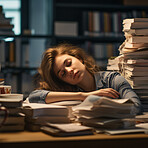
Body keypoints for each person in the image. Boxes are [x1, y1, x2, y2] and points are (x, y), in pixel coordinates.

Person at [28, 43, 142, 114]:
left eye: (68, 63)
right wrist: (83, 96)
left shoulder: (112, 80)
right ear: (63, 80)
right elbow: (34, 97)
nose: (69, 71)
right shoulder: (71, 91)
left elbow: (136, 106)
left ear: (79, 58)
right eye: (62, 74)